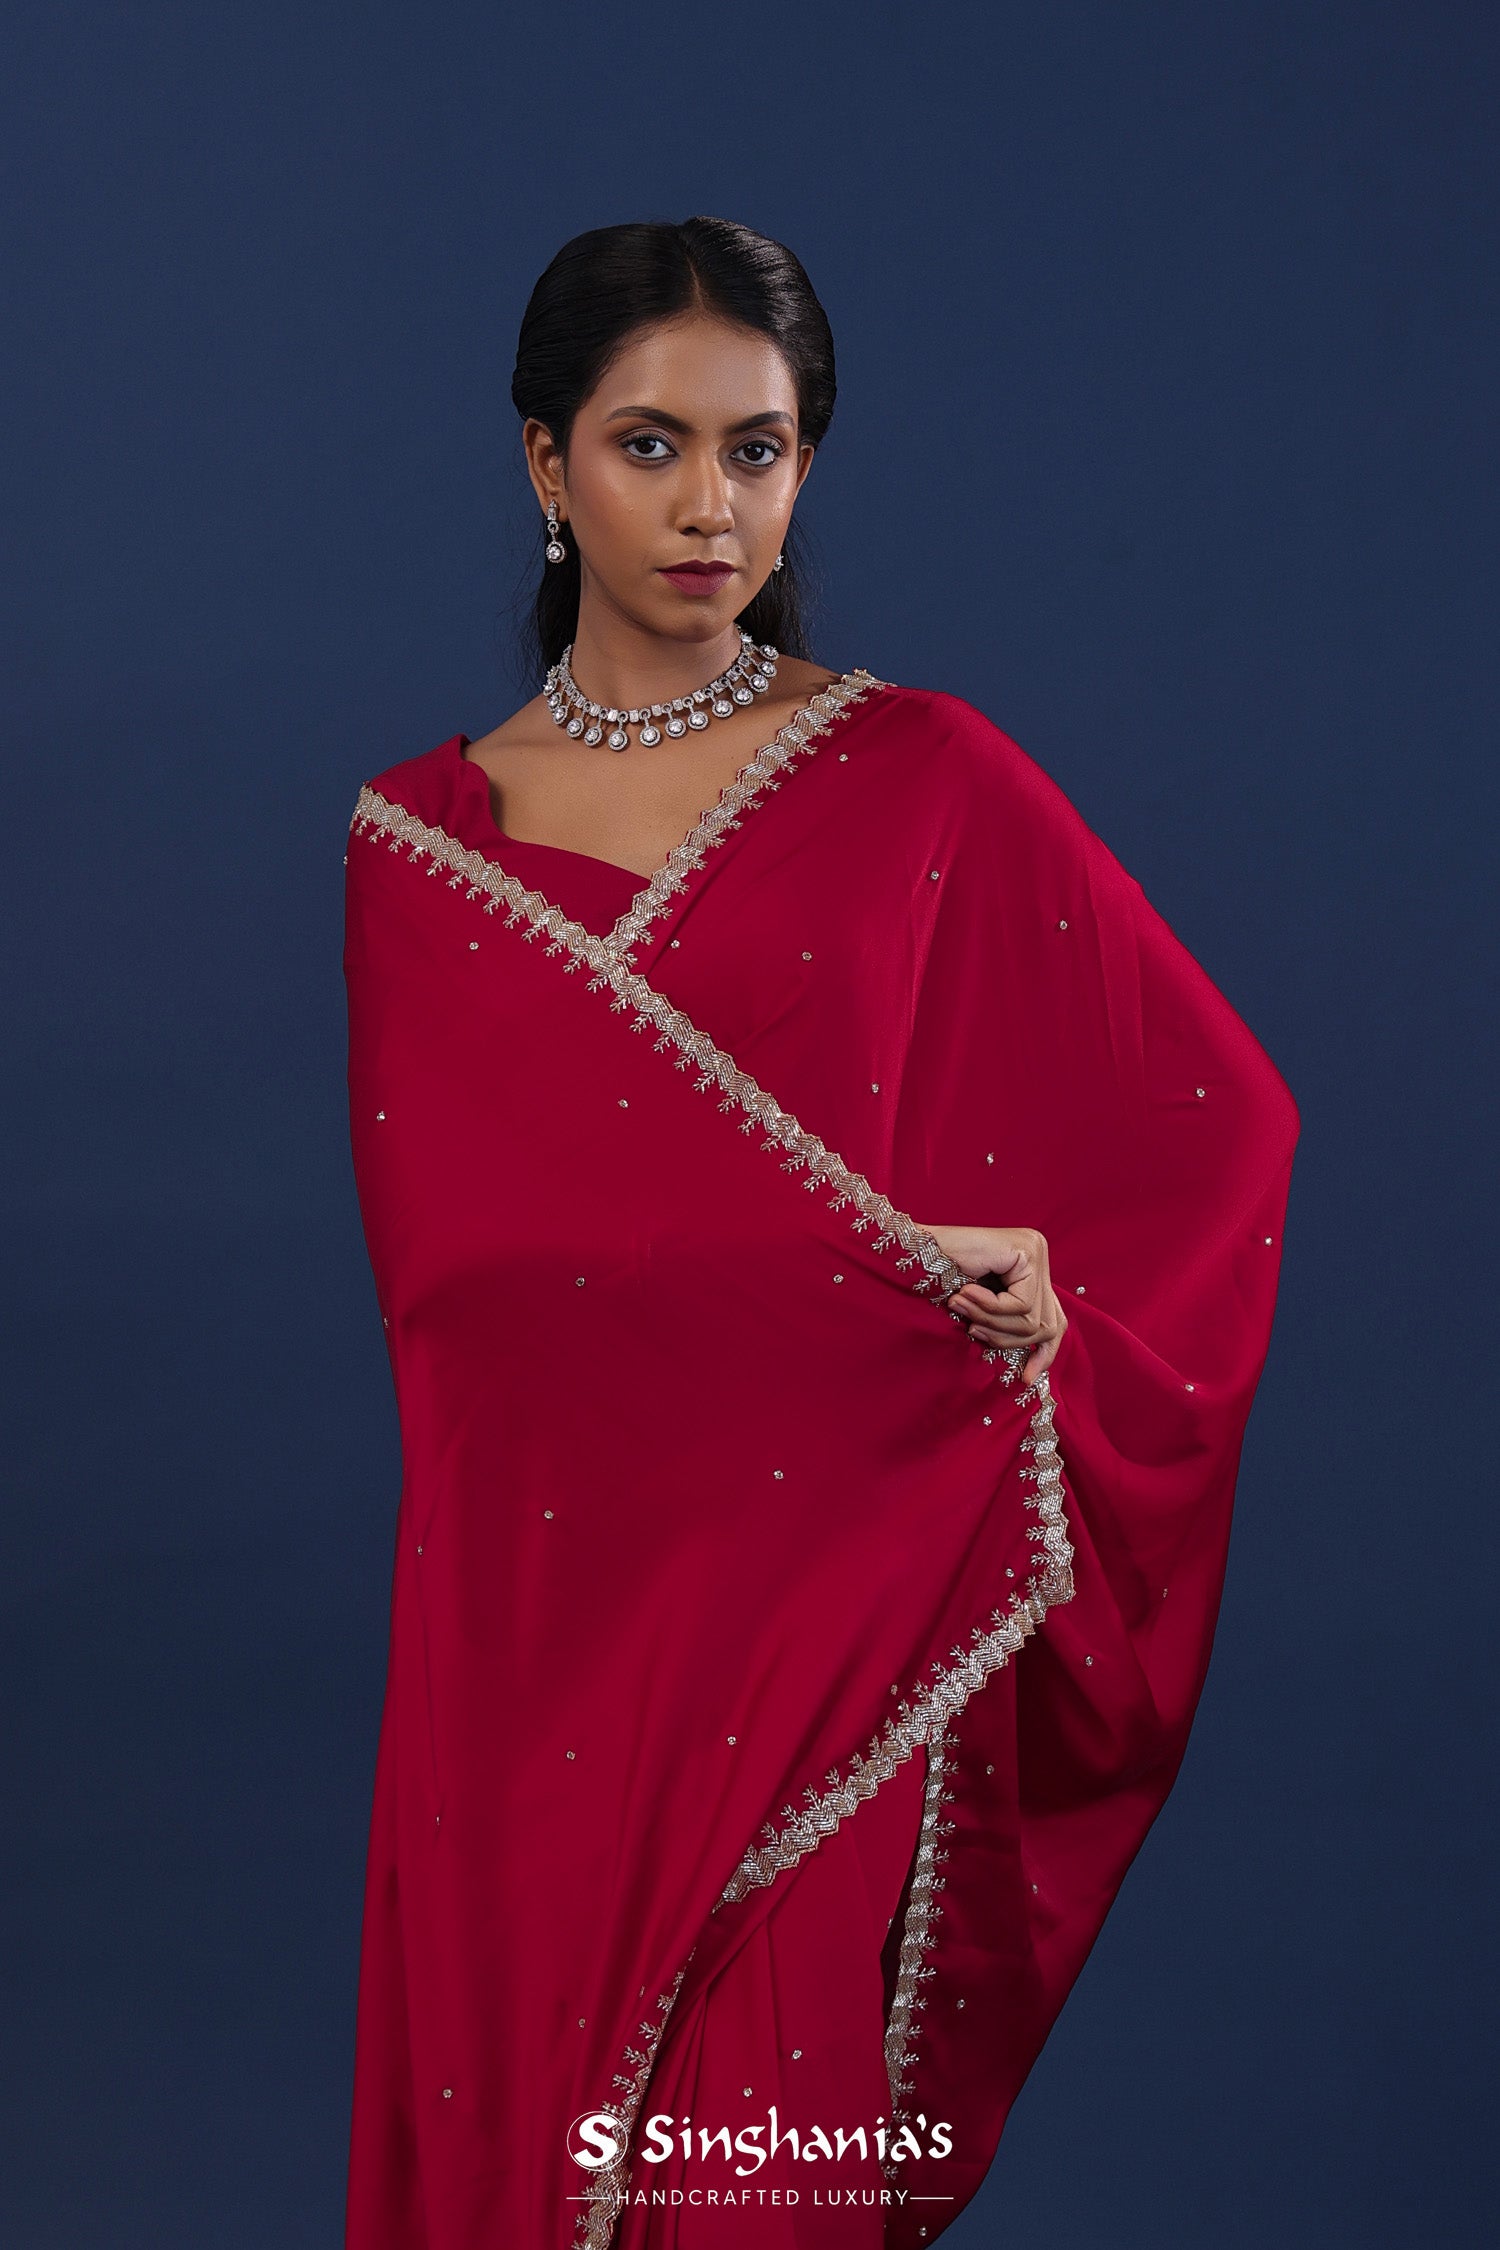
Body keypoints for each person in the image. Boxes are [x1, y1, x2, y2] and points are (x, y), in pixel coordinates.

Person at [341, 217, 1299, 2250]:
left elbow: (1216, 1131)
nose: (711, 506)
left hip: (820, 1632)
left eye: (759, 450)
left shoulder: (924, 775)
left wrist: (1041, 1300)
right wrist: (836, 1266)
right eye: (652, 445)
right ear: (545, 465)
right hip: (532, 1636)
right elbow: (463, 1277)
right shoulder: (425, 848)